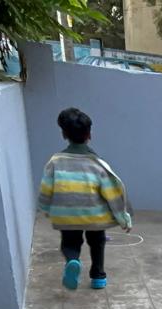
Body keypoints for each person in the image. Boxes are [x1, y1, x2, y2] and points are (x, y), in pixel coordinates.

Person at [37, 107, 132, 291]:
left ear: (64, 134)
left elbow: (46, 189)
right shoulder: (97, 163)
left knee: (70, 242)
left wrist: (46, 209)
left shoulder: (55, 161)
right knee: (97, 241)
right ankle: (98, 277)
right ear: (90, 134)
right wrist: (123, 218)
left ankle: (73, 260)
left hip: (66, 216)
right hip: (94, 215)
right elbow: (112, 193)